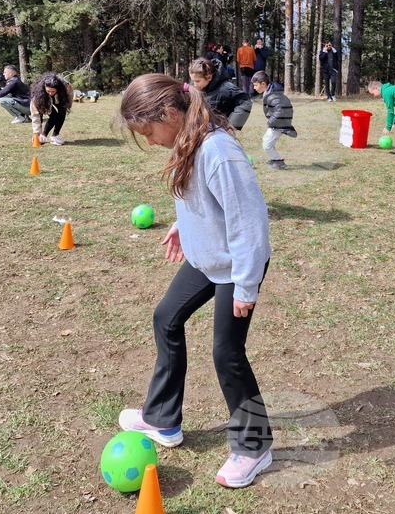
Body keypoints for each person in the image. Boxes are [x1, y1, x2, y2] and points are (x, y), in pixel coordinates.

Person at [117, 73, 273, 489]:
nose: (150, 141)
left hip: (236, 266)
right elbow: (201, 201)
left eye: (149, 132)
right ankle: (163, 420)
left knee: (228, 354)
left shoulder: (218, 151)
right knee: (166, 318)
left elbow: (249, 224)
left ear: (170, 113)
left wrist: (245, 285)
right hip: (205, 259)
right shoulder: (189, 139)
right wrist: (182, 226)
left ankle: (255, 447)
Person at [188, 58, 252, 130]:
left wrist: (232, 126)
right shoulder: (193, 87)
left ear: (209, 77)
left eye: (197, 81)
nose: (194, 84)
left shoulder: (226, 88)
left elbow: (245, 102)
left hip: (219, 131)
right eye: (192, 80)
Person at [251, 71, 297, 169]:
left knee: (267, 145)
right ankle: (276, 159)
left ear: (263, 83)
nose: (254, 88)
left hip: (279, 124)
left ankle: (278, 162)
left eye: (255, 85)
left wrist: (271, 121)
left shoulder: (273, 95)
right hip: (277, 123)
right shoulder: (270, 92)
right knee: (266, 141)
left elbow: (280, 110)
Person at [30, 72, 73, 145]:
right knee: (53, 115)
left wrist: (66, 105)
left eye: (53, 91)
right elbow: (35, 115)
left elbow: (69, 99)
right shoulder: (37, 96)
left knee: (62, 111)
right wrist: (36, 133)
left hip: (61, 96)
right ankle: (43, 135)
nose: (50, 93)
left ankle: (55, 135)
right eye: (48, 91)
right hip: (44, 98)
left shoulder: (66, 88)